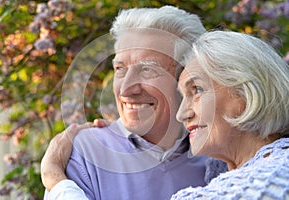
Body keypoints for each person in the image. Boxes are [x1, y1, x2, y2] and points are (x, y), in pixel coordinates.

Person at [42, 6, 227, 200]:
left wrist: (52, 176)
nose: (125, 89)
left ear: (187, 78)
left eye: (147, 70)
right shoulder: (83, 154)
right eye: (120, 69)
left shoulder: (219, 157)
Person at [171, 30, 289, 199]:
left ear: (246, 91)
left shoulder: (272, 181)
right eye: (182, 97)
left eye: (196, 90)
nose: (181, 114)